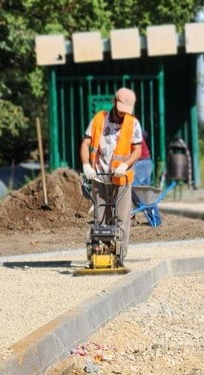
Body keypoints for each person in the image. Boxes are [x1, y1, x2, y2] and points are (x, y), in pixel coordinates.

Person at [79, 87, 142, 264]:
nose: (123, 115)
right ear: (114, 103)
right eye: (121, 111)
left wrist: (125, 164)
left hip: (122, 178)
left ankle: (119, 255)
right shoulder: (99, 120)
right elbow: (85, 143)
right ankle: (100, 254)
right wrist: (85, 165)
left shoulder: (133, 123)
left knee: (122, 218)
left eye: (126, 112)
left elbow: (137, 151)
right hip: (100, 176)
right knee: (101, 218)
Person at [131, 130, 162, 228]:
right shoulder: (135, 128)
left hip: (141, 163)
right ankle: (155, 220)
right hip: (145, 161)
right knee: (145, 194)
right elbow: (145, 133)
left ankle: (128, 213)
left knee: (128, 188)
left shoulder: (127, 128)